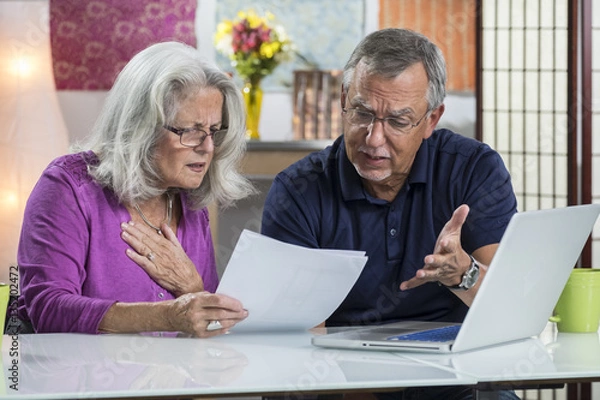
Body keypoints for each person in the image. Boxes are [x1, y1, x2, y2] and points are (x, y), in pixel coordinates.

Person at [261, 29, 519, 399]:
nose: (373, 139)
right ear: (344, 100)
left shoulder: (474, 169)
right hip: (347, 385)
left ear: (431, 120)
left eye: (398, 121)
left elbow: (509, 312)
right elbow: (300, 349)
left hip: (457, 381)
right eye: (363, 113)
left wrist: (463, 274)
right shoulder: (298, 191)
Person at [17, 41, 254, 337]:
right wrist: (166, 317)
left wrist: (192, 287)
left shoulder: (191, 203)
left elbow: (207, 326)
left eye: (213, 132)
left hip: (180, 382)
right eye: (191, 131)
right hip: (82, 379)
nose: (207, 148)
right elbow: (48, 309)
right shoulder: (67, 188)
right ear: (142, 127)